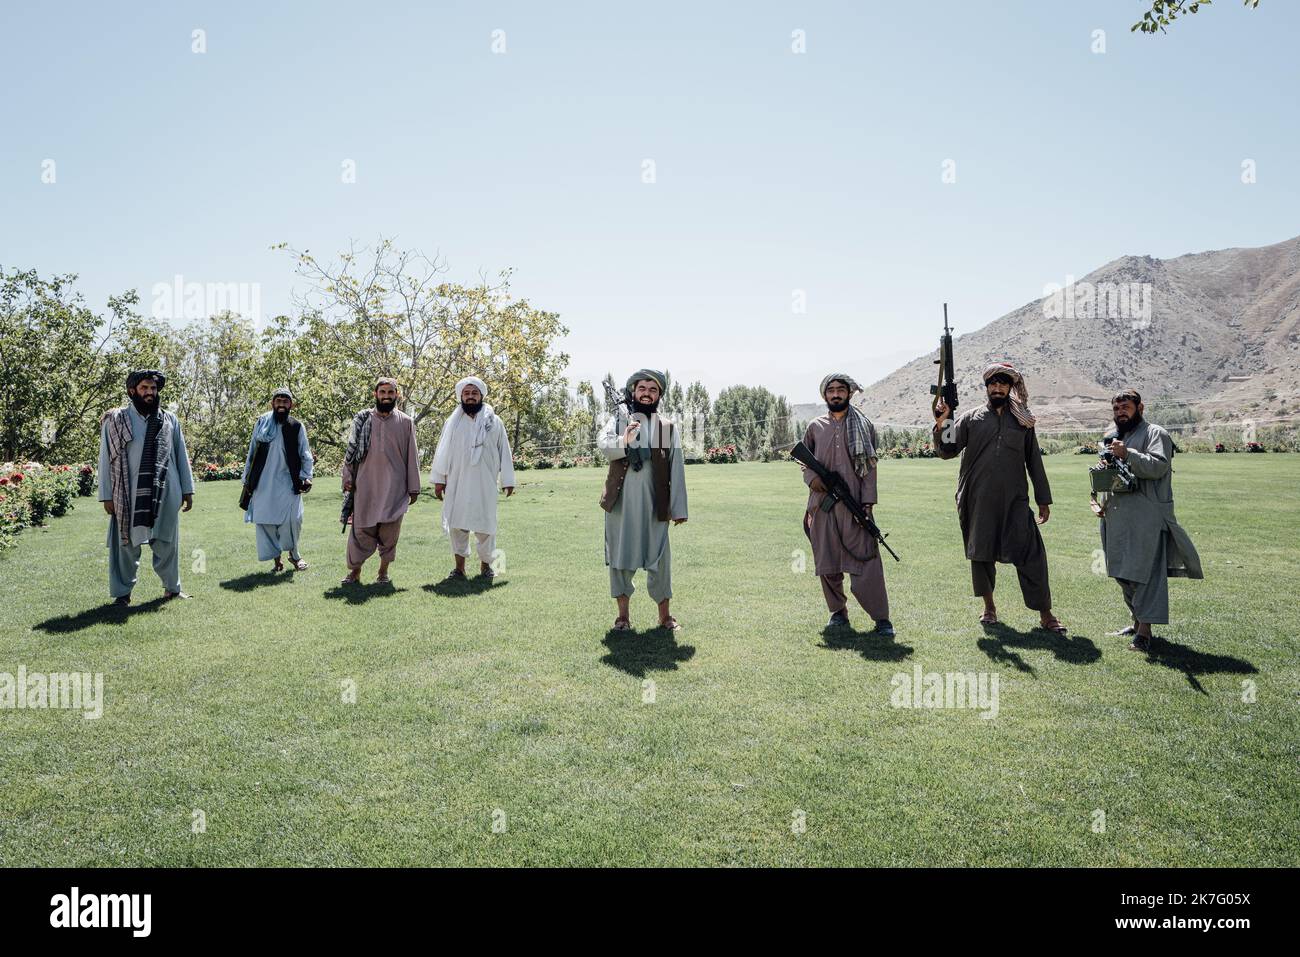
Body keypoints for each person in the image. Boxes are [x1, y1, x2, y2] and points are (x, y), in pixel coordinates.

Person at [932, 361, 1066, 633]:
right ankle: (989, 608)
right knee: (981, 555)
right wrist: (943, 421)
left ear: (1010, 387)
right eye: (993, 383)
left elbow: (1034, 461)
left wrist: (1043, 498)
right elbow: (947, 450)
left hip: (1015, 500)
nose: (997, 387)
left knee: (1032, 555)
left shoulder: (1023, 421)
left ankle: (1046, 614)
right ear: (986, 388)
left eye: (1003, 383)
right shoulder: (971, 418)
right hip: (977, 499)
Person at [1093, 389, 1203, 652]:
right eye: (1117, 408)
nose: (1121, 412)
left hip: (1146, 516)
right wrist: (1101, 482)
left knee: (1145, 573)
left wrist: (1127, 453)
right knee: (1122, 572)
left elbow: (1158, 467)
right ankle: (1135, 620)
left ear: (1140, 408)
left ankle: (1145, 632)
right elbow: (1115, 475)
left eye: (1126, 407)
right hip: (1116, 514)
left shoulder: (1156, 434)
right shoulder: (1116, 437)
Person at [801, 374, 894, 636]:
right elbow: (804, 463)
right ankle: (838, 613)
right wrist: (814, 480)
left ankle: (881, 619)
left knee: (867, 558)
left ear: (850, 393)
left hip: (855, 505)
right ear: (824, 395)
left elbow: (870, 469)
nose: (836, 394)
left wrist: (867, 504)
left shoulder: (864, 425)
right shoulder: (815, 427)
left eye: (840, 390)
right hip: (823, 505)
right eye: (830, 390)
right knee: (827, 560)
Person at [598, 368, 687, 631]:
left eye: (653, 390)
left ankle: (665, 617)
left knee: (660, 558)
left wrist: (678, 508)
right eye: (642, 389)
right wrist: (624, 440)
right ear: (633, 392)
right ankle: (623, 617)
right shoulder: (619, 421)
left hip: (654, 505)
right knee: (620, 558)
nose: (646, 394)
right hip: (621, 505)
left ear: (659, 395)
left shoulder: (665, 427)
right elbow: (603, 445)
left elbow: (676, 468)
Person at [97, 369, 194, 605]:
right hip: (128, 494)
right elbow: (104, 458)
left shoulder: (169, 419)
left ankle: (172, 588)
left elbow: (181, 455)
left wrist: (187, 490)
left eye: (153, 388)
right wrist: (106, 495)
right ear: (132, 391)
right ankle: (122, 594)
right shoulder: (116, 420)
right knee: (126, 546)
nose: (150, 393)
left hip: (166, 491)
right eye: (144, 388)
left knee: (167, 543)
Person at [430, 376, 515, 580]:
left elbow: (504, 451)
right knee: (457, 524)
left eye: (474, 393)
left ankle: (486, 567)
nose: (470, 397)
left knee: (486, 525)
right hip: (457, 481)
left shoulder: (494, 422)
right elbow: (443, 451)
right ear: (461, 396)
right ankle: (459, 569)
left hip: (484, 482)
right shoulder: (453, 422)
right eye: (466, 393)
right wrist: (440, 479)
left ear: (481, 396)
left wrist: (508, 480)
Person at [340, 378, 421, 585]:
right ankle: (354, 573)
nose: (386, 396)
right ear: (375, 394)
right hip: (365, 487)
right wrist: (347, 477)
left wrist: (414, 488)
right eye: (382, 392)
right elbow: (350, 452)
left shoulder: (406, 422)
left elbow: (412, 456)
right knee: (360, 532)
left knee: (390, 534)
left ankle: (383, 573)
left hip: (394, 489)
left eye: (390, 392)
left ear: (397, 395)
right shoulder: (363, 420)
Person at [241, 387, 314, 572]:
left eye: (285, 401)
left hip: (289, 481)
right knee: (266, 521)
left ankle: (295, 556)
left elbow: (305, 453)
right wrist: (247, 478)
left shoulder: (296, 426)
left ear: (291, 404)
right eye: (278, 401)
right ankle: (277, 561)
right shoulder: (262, 422)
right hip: (263, 482)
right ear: (272, 404)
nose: (281, 404)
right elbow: (252, 451)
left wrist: (306, 476)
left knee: (293, 520)